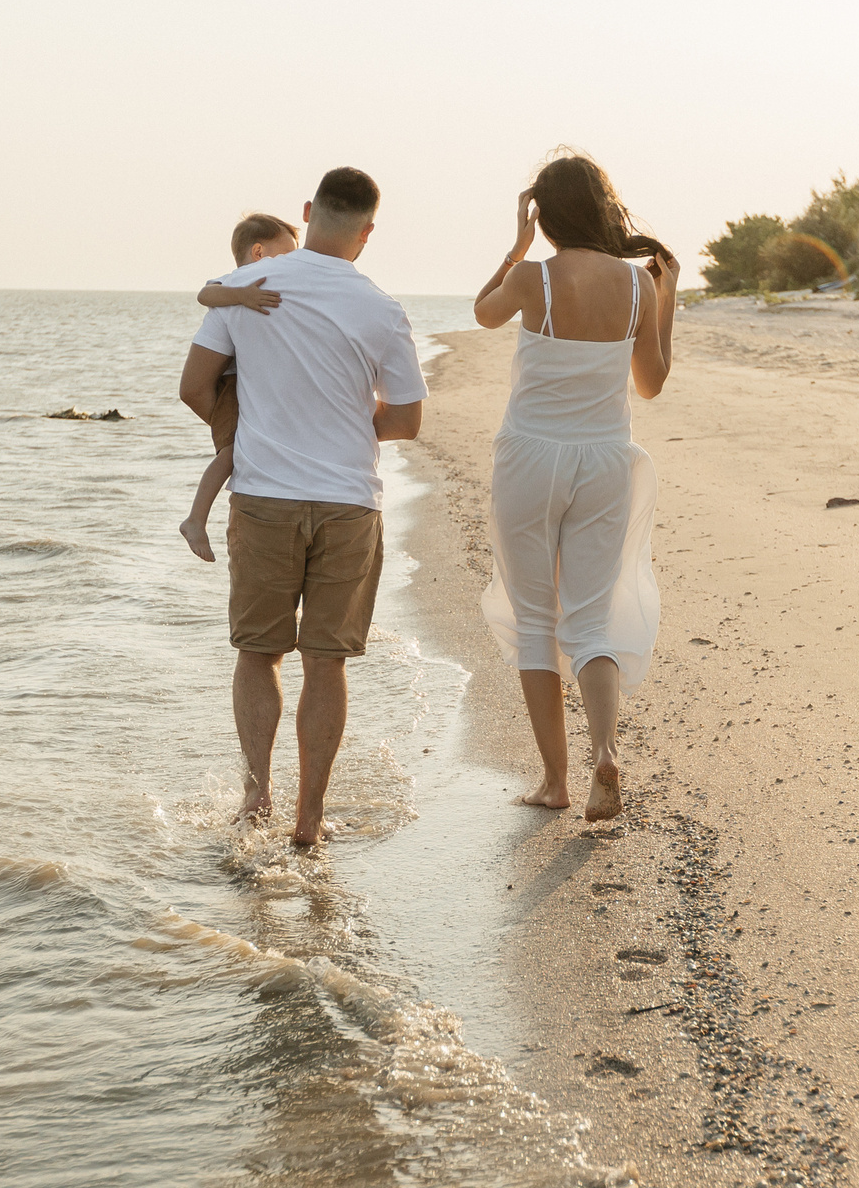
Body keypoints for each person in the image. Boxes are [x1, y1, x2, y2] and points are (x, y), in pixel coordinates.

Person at [179, 167, 427, 847]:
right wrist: (350, 421)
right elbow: (406, 419)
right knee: (327, 662)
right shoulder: (381, 306)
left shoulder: (249, 288)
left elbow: (194, 386)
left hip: (263, 497)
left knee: (259, 653)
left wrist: (239, 431)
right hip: (348, 504)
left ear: (309, 210)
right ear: (368, 232)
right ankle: (309, 818)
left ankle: (255, 799)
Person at [470, 152, 678, 821]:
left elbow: (482, 314)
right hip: (605, 461)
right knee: (589, 620)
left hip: (532, 459)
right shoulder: (637, 287)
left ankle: (555, 782)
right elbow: (651, 382)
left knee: (536, 622)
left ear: (548, 213)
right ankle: (606, 753)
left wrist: (517, 245)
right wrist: (664, 300)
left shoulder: (534, 278)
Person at [177, 213, 298, 561]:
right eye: (286, 254)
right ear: (258, 252)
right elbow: (204, 295)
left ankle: (196, 518)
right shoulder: (235, 282)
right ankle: (195, 519)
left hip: (244, 381)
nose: (293, 262)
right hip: (229, 384)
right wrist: (242, 296)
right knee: (232, 451)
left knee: (237, 449)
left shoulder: (258, 283)